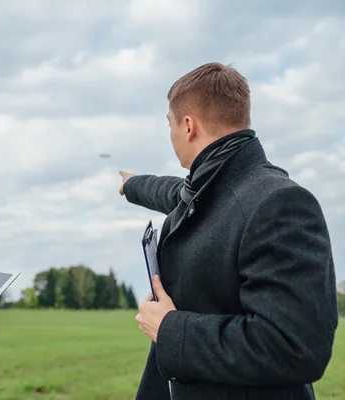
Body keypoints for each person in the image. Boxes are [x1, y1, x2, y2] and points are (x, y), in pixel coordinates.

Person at [119, 62, 338, 400]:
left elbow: (295, 345)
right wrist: (131, 185)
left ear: (188, 126)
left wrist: (170, 330)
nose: (171, 134)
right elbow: (172, 192)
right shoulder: (210, 191)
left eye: (169, 124)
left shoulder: (279, 203)